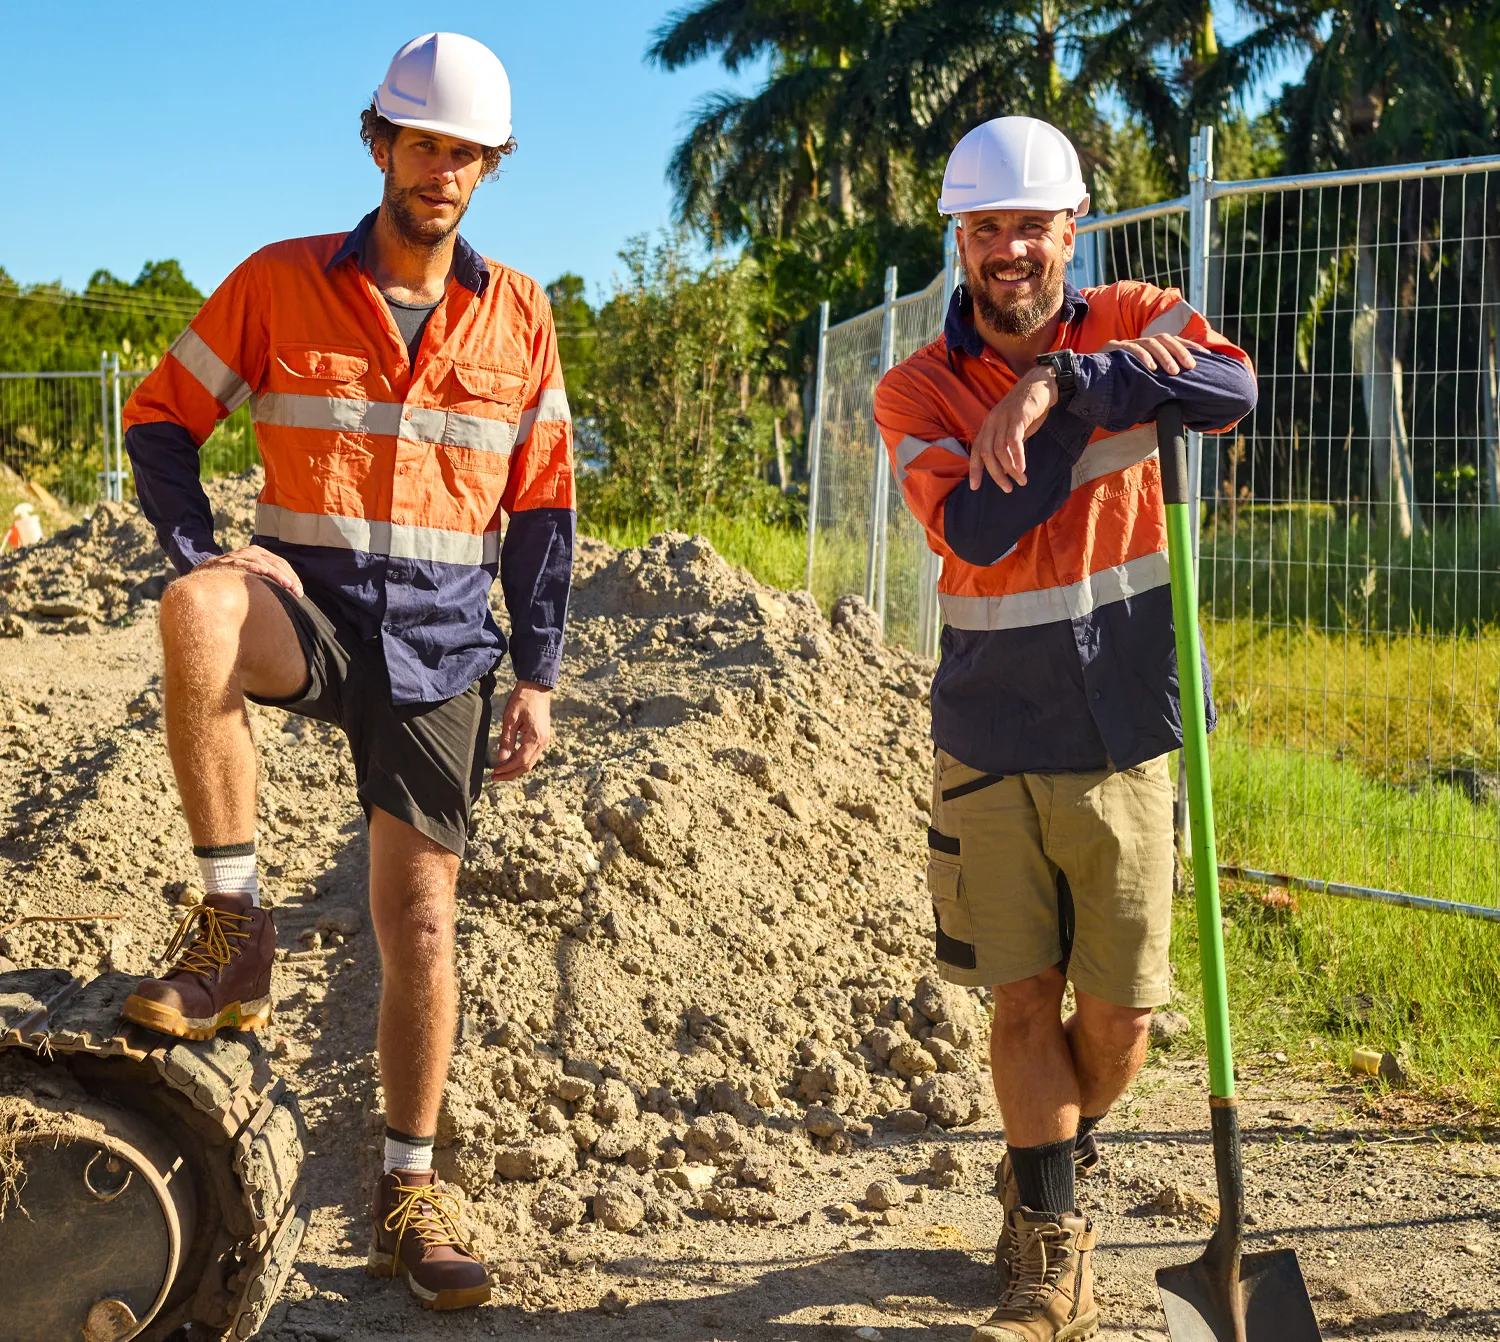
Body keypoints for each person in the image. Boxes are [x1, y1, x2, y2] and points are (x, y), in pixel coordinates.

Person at [117, 32, 574, 1312]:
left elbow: (542, 508)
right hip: (306, 610)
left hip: (441, 644)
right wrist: (207, 545)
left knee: (419, 923)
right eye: (424, 144)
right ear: (381, 144)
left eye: (468, 154)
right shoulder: (276, 282)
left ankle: (408, 1192)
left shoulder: (521, 312)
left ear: (490, 168)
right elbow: (162, 416)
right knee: (199, 607)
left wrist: (535, 671)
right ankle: (235, 928)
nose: (445, 171)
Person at [874, 117, 1256, 1342]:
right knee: (1021, 1001)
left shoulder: (1135, 310)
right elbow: (979, 533)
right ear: (961, 240)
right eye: (984, 230)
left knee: (1123, 1016)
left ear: (1069, 232)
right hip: (990, 731)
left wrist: (1062, 383)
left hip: (1130, 721)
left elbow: (1236, 386)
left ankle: (1048, 1158)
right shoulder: (915, 388)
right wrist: (1109, 401)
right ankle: (1048, 1255)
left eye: (1028, 227)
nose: (1007, 252)